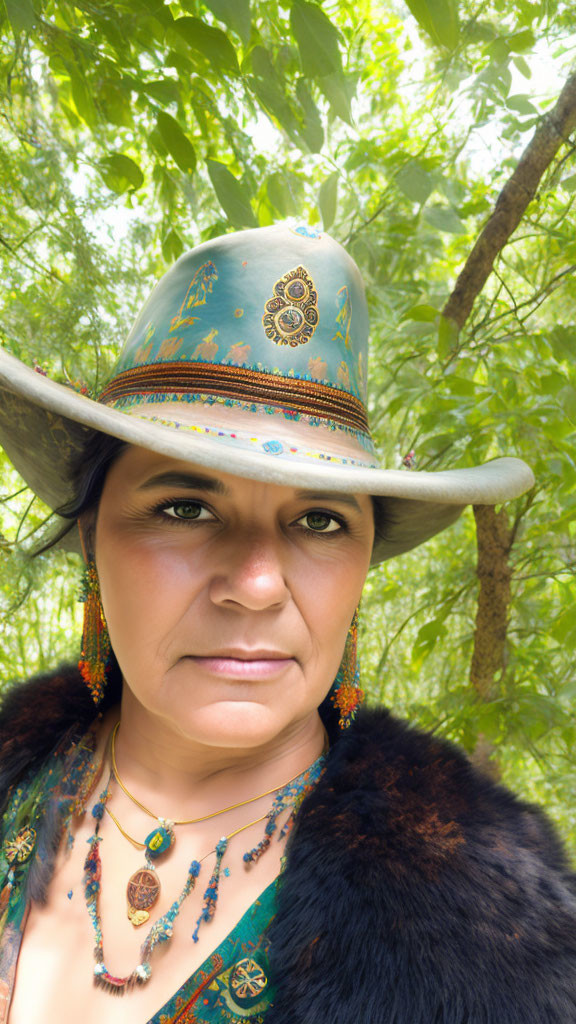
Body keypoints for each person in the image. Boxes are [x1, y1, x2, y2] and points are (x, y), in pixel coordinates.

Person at [0, 224, 574, 1024]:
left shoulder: (491, 938)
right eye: (185, 507)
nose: (258, 584)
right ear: (92, 541)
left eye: (320, 523)